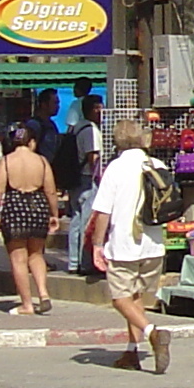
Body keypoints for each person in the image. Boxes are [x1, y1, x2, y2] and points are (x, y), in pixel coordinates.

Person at [83, 117, 172, 374]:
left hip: (124, 243)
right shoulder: (156, 164)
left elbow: (102, 212)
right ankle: (132, 351)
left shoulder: (116, 168)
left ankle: (153, 333)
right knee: (137, 299)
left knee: (120, 298)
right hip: (153, 243)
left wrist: (97, 244)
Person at [0, 120, 58, 317]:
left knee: (18, 257)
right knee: (36, 254)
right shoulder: (42, 161)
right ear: (32, 142)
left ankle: (26, 303)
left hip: (15, 208)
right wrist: (54, 214)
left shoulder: (7, 161)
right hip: (38, 207)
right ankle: (43, 294)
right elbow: (51, 191)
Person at [57, 94, 105, 270]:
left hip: (74, 179)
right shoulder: (91, 130)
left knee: (75, 222)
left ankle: (73, 262)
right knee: (86, 221)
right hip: (86, 180)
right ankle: (85, 263)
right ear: (94, 109)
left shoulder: (74, 128)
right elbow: (93, 157)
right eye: (101, 108)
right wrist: (98, 178)